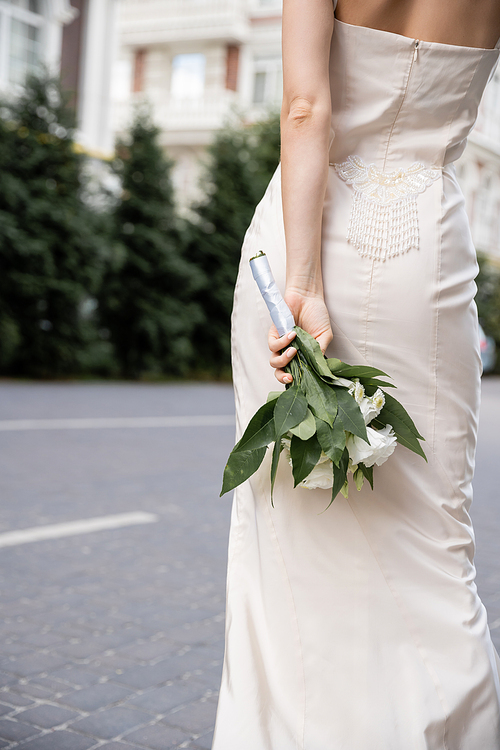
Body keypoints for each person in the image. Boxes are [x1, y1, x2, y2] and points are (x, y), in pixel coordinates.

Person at [212, 0, 500, 747]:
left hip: (305, 237)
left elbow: (307, 108)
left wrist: (302, 284)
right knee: (436, 531)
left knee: (290, 530)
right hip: (427, 253)